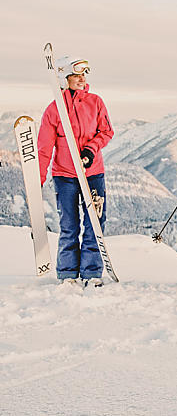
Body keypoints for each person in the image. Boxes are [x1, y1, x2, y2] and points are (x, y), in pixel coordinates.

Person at [38, 56, 114, 288]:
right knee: (69, 225)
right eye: (76, 75)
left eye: (84, 75)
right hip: (65, 176)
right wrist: (37, 180)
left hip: (92, 174)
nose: (82, 79)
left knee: (94, 223)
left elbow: (107, 131)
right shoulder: (54, 110)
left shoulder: (95, 102)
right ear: (64, 78)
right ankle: (68, 272)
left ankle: (92, 272)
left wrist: (90, 150)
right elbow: (44, 148)